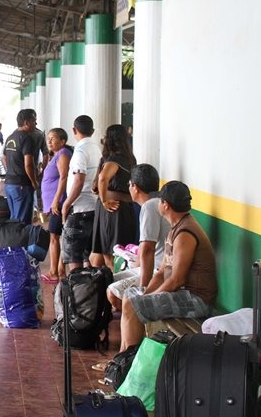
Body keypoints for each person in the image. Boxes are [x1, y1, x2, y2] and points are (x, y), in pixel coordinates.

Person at [118, 181, 217, 352]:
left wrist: (149, 299)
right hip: (182, 294)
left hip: (196, 300)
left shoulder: (185, 233)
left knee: (135, 306)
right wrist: (146, 294)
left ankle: (128, 362)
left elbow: (176, 280)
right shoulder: (176, 228)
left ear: (166, 205)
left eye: (160, 200)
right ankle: (122, 357)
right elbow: (162, 272)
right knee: (130, 297)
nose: (158, 204)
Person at [107, 164, 170, 311]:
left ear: (135, 187)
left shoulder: (150, 206)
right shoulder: (157, 202)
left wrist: (143, 289)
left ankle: (135, 317)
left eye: (129, 184)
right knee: (108, 280)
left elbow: (148, 249)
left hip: (158, 270)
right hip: (153, 267)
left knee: (112, 293)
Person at [90, 124, 138, 268]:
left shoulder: (115, 158)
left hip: (113, 208)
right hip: (122, 206)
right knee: (114, 252)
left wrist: (104, 200)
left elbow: (103, 178)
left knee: (111, 254)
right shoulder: (129, 158)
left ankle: (114, 286)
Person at [60, 115, 100, 273]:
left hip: (80, 209)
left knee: (73, 254)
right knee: (86, 254)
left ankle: (76, 289)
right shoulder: (96, 149)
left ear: (74, 130)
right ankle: (87, 291)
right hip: (93, 205)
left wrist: (67, 203)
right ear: (93, 131)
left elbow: (79, 180)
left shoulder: (80, 151)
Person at [39, 127, 72, 284]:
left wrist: (55, 201)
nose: (49, 141)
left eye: (53, 138)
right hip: (53, 204)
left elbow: (64, 178)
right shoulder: (56, 155)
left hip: (57, 204)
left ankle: (54, 272)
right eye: (48, 138)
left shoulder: (63, 154)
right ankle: (58, 269)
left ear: (63, 141)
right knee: (55, 236)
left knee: (54, 236)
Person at [2, 108, 43, 223]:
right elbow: (28, 164)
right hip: (22, 185)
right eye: (34, 121)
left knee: (14, 218)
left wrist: (11, 170)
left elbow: (4, 157)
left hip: (9, 183)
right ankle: (19, 241)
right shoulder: (27, 138)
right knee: (22, 221)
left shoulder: (11, 137)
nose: (36, 124)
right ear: (26, 122)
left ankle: (13, 240)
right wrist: (34, 181)